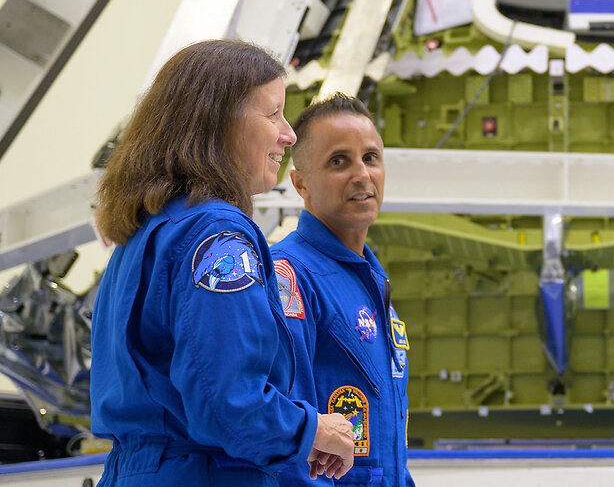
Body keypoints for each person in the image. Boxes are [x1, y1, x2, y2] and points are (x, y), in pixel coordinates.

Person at [90, 39, 355, 485]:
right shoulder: (217, 235)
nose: (288, 134)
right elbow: (226, 400)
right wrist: (313, 429)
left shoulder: (144, 235)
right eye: (272, 114)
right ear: (219, 122)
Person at [271, 94, 415, 487]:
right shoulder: (289, 276)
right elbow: (285, 435)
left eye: (370, 158)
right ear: (300, 182)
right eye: (339, 161)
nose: (361, 175)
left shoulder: (370, 280)